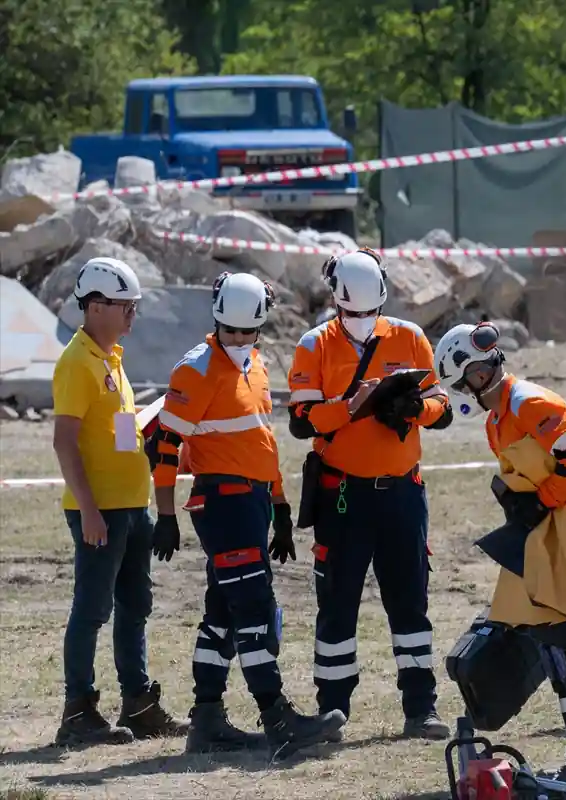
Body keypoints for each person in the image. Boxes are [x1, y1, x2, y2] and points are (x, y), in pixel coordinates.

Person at [147, 271, 346, 757]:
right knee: (255, 611)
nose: (238, 340)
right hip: (223, 504)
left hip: (251, 502)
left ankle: (207, 719)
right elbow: (164, 444)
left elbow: (261, 439)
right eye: (230, 332)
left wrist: (278, 504)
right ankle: (278, 719)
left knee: (222, 614)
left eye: (247, 332)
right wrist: (166, 514)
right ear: (216, 320)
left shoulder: (254, 364)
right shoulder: (195, 369)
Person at [432, 321, 566, 790]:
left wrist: (543, 500)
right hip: (553, 540)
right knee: (561, 648)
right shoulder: (498, 419)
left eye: (469, 379)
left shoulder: (528, 403)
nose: (471, 388)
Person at [287, 248, 452, 739]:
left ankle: (421, 707)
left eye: (370, 312)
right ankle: (332, 709)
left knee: (411, 603)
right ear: (335, 302)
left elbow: (442, 405)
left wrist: (413, 410)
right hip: (343, 497)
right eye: (353, 313)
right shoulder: (313, 345)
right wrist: (351, 408)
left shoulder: (410, 336)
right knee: (337, 603)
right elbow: (301, 421)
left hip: (402, 495)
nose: (362, 321)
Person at [50, 257, 187, 746]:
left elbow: (122, 435)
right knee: (91, 608)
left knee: (135, 605)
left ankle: (138, 704)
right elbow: (64, 440)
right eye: (125, 306)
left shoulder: (113, 361)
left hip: (133, 504)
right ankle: (78, 711)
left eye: (134, 306)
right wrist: (87, 508)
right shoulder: (76, 363)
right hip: (101, 509)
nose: (133, 314)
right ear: (95, 307)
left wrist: (150, 447)